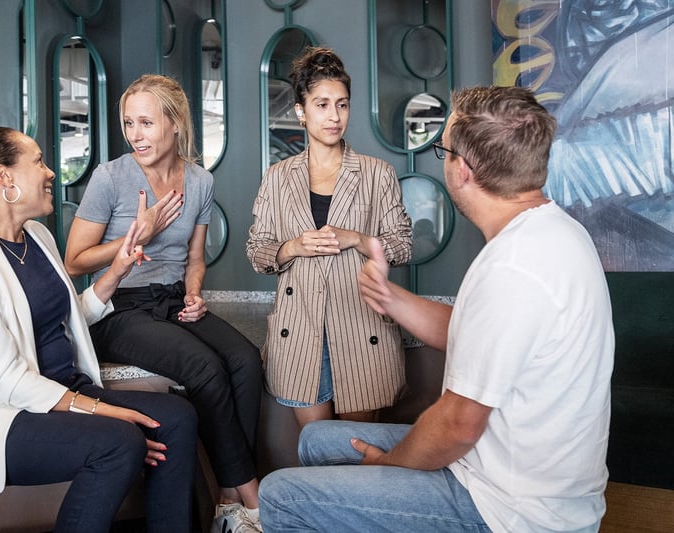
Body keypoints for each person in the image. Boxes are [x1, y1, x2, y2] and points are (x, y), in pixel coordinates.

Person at [258, 86, 615, 532]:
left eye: (441, 150)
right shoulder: (552, 232)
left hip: (507, 507)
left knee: (281, 496)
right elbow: (477, 334)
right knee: (316, 439)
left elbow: (458, 427)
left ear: (462, 169)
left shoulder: (513, 267)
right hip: (501, 467)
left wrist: (389, 464)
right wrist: (390, 297)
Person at [0, 127, 198, 533]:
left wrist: (117, 269)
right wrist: (111, 412)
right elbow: (7, 381)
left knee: (178, 417)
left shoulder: (38, 237)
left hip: (67, 391)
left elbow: (68, 319)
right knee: (120, 442)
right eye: (38, 162)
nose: (50, 172)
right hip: (6, 419)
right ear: (4, 177)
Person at [64, 74, 264, 532]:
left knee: (246, 361)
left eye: (146, 123)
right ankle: (251, 498)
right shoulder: (110, 177)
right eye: (129, 123)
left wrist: (195, 293)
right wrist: (137, 236)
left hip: (174, 299)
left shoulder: (199, 181)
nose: (135, 134)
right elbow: (74, 261)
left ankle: (228, 498)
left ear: (175, 124)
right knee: (204, 367)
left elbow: (195, 258)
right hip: (120, 307)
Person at [246, 46, 413, 430]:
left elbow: (403, 245)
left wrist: (357, 238)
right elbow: (257, 251)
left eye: (342, 104)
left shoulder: (377, 174)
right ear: (301, 112)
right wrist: (293, 247)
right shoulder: (277, 177)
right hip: (299, 330)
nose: (334, 116)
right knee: (317, 449)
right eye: (322, 105)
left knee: (357, 452)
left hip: (361, 326)